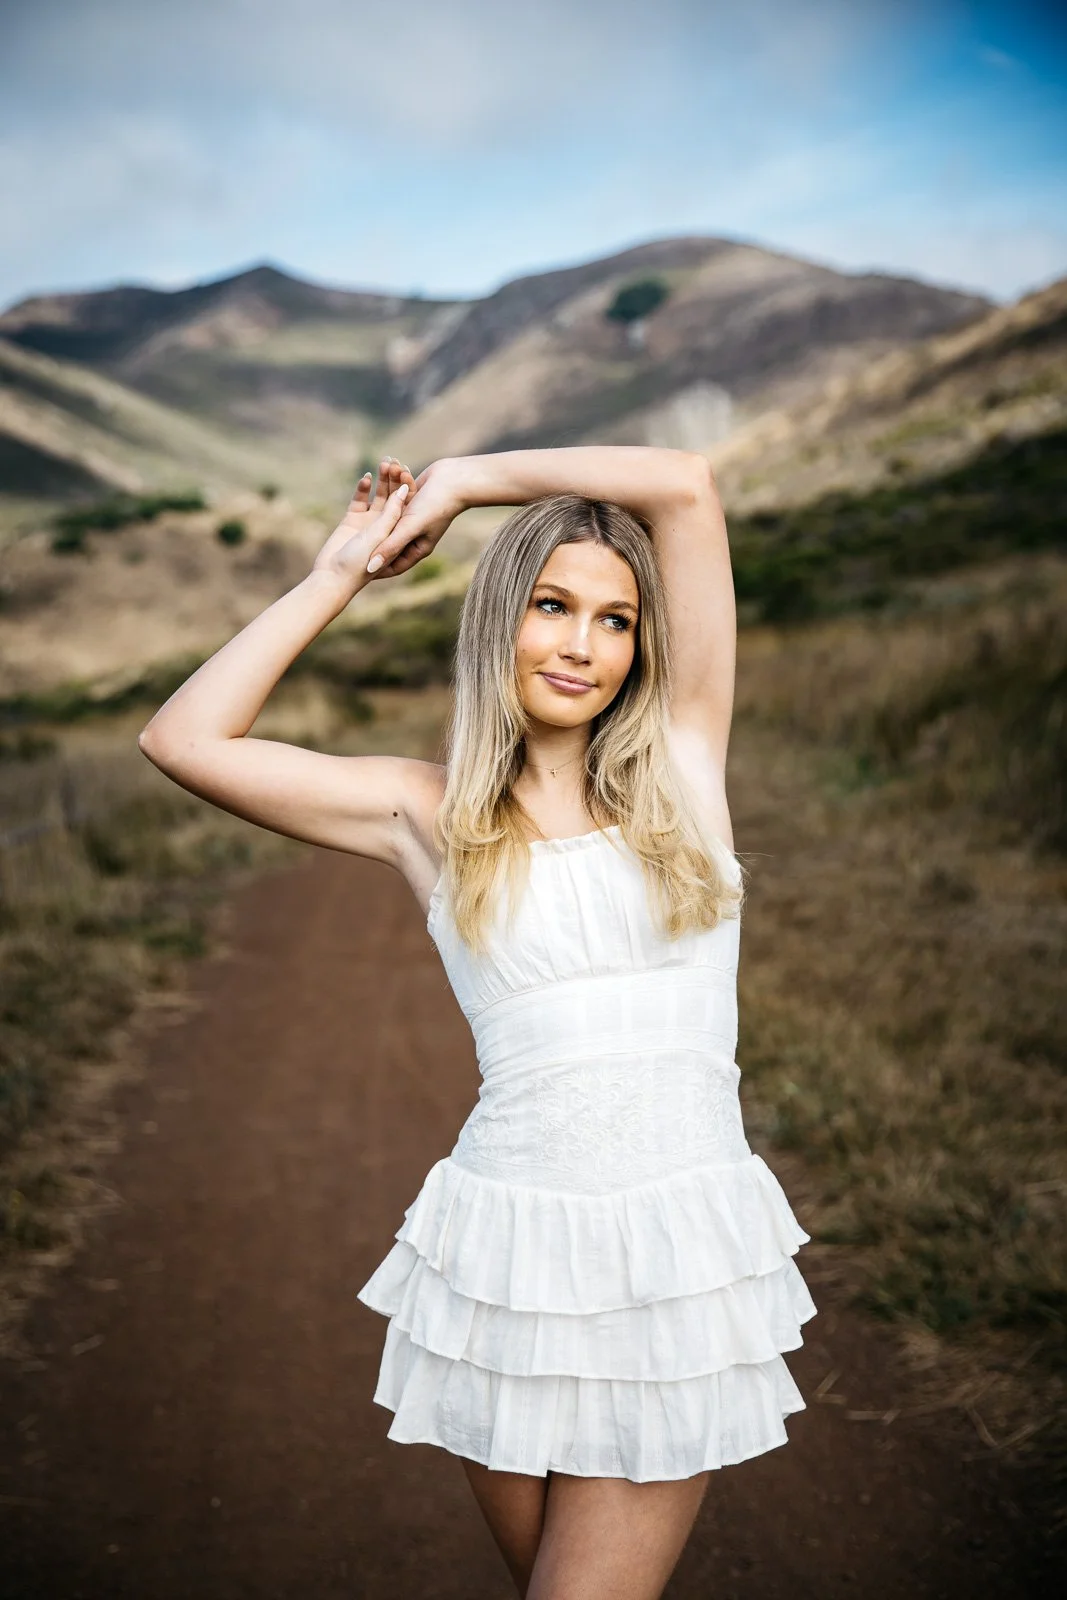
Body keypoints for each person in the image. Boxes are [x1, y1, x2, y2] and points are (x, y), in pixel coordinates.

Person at [138, 447, 817, 1600]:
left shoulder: (687, 769)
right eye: (551, 605)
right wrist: (339, 573)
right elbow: (183, 739)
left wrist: (457, 479)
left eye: (614, 619)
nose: (581, 645)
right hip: (506, 1260)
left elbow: (685, 487)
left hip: (670, 1260)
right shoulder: (427, 813)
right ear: (499, 618)